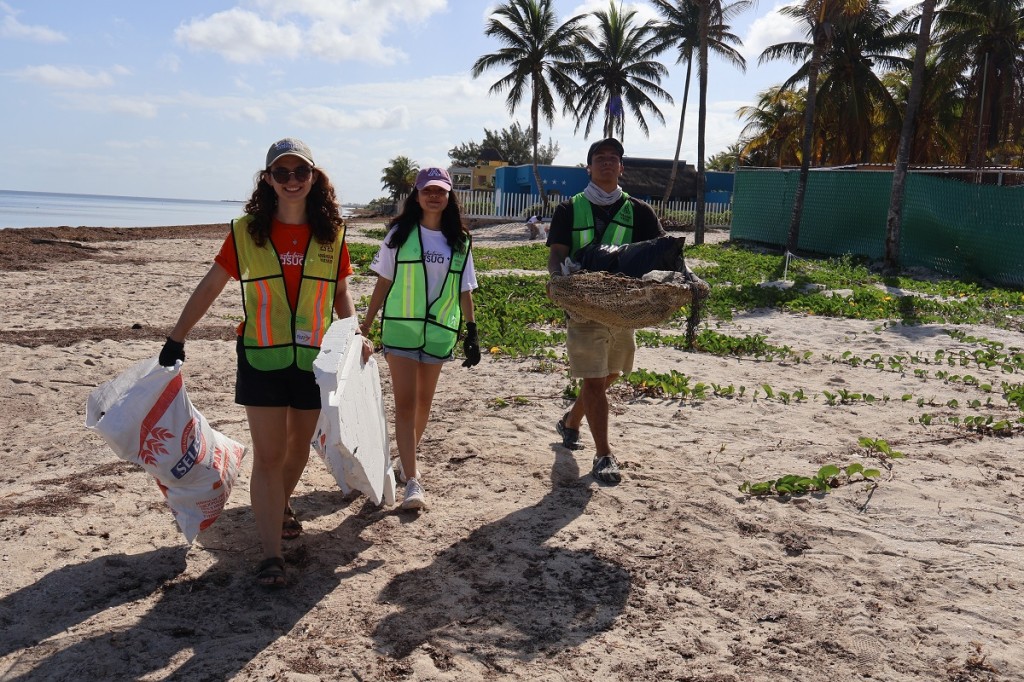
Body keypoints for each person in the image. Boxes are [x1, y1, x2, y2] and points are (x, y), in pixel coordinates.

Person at [159, 138, 372, 589]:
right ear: (269, 180)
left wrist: (354, 338)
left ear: (314, 177)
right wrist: (177, 336)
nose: (292, 180)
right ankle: (272, 554)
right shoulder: (245, 232)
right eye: (282, 173)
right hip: (262, 357)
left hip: (316, 360)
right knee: (270, 455)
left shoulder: (332, 233)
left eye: (301, 172)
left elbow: (339, 294)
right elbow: (211, 285)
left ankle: (280, 504)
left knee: (299, 450)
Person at [545, 137, 667, 485]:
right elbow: (557, 252)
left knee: (613, 371)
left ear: (621, 167)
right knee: (595, 380)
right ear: (589, 166)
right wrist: (557, 279)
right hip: (583, 307)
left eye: (614, 158)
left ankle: (571, 421)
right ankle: (603, 455)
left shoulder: (640, 210)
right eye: (600, 158)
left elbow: (658, 251)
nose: (607, 162)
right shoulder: (570, 208)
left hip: (623, 309)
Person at [360, 167, 481, 512]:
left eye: (440, 191)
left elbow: (464, 288)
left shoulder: (460, 240)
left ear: (448, 197)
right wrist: (366, 325)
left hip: (440, 332)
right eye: (427, 190)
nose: (433, 196)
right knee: (406, 404)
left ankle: (404, 461)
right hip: (401, 329)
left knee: (424, 403)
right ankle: (413, 481)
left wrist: (471, 333)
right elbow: (383, 281)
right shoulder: (399, 233)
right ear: (416, 195)